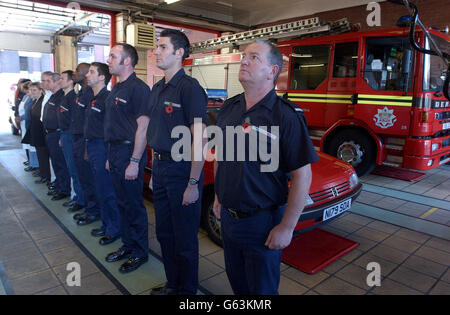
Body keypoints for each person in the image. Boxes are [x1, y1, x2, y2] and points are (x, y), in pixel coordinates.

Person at [213, 40, 319, 295]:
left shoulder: (285, 115)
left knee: (261, 291)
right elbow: (221, 155)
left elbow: (302, 174)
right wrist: (218, 196)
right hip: (229, 219)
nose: (244, 61)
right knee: (237, 284)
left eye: (254, 57)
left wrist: (287, 227)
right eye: (244, 56)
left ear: (273, 71)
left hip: (262, 223)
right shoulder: (229, 108)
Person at [147, 29, 207, 295]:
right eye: (156, 47)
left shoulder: (190, 88)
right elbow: (155, 132)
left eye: (162, 47)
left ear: (179, 52)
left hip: (182, 170)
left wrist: (193, 182)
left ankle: (187, 292)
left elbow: (199, 139)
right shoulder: (158, 87)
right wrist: (153, 172)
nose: (156, 52)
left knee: (184, 238)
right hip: (160, 168)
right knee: (164, 234)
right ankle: (173, 284)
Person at [104, 43, 150, 274]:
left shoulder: (138, 89)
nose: (108, 59)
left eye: (113, 56)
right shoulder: (116, 88)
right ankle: (128, 245)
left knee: (133, 205)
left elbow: (142, 128)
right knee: (120, 203)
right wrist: (109, 157)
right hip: (114, 153)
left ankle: (140, 252)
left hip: (129, 152)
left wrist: (134, 161)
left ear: (127, 61)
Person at [84, 62, 121, 245]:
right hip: (92, 146)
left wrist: (107, 156)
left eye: (91, 72)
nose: (87, 75)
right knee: (99, 189)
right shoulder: (93, 98)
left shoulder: (107, 98)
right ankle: (106, 224)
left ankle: (114, 229)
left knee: (108, 191)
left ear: (102, 77)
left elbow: (110, 129)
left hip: (102, 147)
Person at [71, 63, 101, 225]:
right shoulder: (81, 93)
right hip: (77, 139)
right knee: (82, 177)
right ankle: (89, 208)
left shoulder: (91, 94)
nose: (75, 74)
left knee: (90, 179)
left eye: (78, 71)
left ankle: (93, 210)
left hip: (86, 140)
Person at [58, 70, 86, 214]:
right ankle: (76, 196)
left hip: (71, 135)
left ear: (70, 82)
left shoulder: (73, 98)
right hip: (65, 134)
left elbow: (75, 120)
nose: (59, 81)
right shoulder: (65, 97)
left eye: (62, 78)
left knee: (75, 169)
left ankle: (80, 199)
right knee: (71, 168)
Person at [42, 72, 71, 201]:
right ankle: (59, 185)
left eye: (48, 81)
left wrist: (61, 135)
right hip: (50, 133)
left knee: (60, 164)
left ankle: (64, 189)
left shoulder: (61, 97)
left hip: (57, 133)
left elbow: (64, 119)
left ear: (57, 81)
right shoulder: (52, 96)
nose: (45, 84)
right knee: (56, 162)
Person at [22, 82, 51, 184]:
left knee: (43, 156)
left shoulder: (42, 101)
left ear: (40, 90)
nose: (32, 92)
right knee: (40, 155)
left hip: (41, 132)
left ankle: (46, 176)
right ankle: (43, 174)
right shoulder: (36, 101)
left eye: (34, 90)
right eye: (31, 90)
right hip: (35, 132)